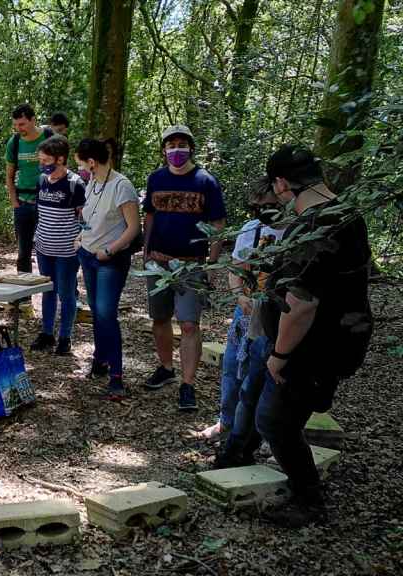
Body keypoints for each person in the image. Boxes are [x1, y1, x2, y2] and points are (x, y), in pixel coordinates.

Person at [255, 145, 371, 527]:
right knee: (284, 415)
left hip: (312, 347)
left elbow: (301, 304)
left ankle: (309, 502)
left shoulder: (314, 226)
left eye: (277, 189)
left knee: (274, 421)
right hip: (338, 339)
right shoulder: (347, 214)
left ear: (283, 183)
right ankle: (305, 489)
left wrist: (280, 355)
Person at [142, 125, 227, 411]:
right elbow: (149, 216)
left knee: (189, 324)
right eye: (171, 144)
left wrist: (211, 264)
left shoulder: (205, 181)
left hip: (191, 265)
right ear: (164, 149)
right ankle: (166, 367)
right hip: (159, 260)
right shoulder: (156, 178)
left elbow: (217, 225)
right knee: (160, 318)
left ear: (190, 147)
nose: (176, 150)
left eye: (181, 144)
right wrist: (146, 251)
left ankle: (187, 385)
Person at [196, 180, 284, 449]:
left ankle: (265, 435)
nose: (263, 212)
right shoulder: (251, 229)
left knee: (263, 375)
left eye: (270, 206)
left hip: (278, 315)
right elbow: (236, 268)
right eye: (257, 207)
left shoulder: (297, 232)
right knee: (233, 367)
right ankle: (226, 422)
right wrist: (240, 295)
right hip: (245, 312)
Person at [74, 139, 141, 400]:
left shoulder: (121, 186)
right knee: (96, 311)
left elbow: (133, 228)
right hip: (87, 256)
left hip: (110, 260)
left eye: (81, 163)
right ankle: (100, 360)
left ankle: (117, 375)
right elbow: (90, 217)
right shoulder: (92, 183)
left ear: (92, 162)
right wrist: (81, 238)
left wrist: (110, 250)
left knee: (106, 314)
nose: (79, 168)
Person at [29, 136, 85, 356]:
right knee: (48, 291)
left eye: (46, 160)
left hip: (67, 251)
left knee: (66, 292)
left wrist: (79, 241)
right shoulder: (41, 180)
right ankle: (46, 334)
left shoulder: (75, 184)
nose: (43, 165)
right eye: (40, 161)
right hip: (44, 247)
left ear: (61, 159)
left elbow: (84, 218)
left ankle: (65, 337)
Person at [5, 103, 53, 274]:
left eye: (22, 124)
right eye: (16, 125)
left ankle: (57, 292)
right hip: (23, 203)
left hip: (48, 202)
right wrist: (14, 203)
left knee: (51, 249)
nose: (19, 128)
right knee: (23, 253)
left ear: (33, 120)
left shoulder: (48, 137)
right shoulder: (15, 142)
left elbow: (61, 169)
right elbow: (9, 175)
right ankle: (24, 297)